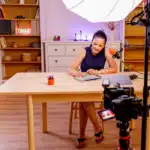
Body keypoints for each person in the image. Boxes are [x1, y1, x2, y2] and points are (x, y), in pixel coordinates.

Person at [68, 30, 117, 148]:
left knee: (83, 101)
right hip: (83, 82)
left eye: (100, 45)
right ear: (91, 42)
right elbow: (71, 68)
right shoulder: (84, 51)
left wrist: (98, 71)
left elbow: (114, 68)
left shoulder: (106, 52)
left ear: (104, 45)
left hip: (97, 84)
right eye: (95, 44)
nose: (97, 47)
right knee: (84, 100)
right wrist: (78, 74)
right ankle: (97, 128)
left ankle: (82, 135)